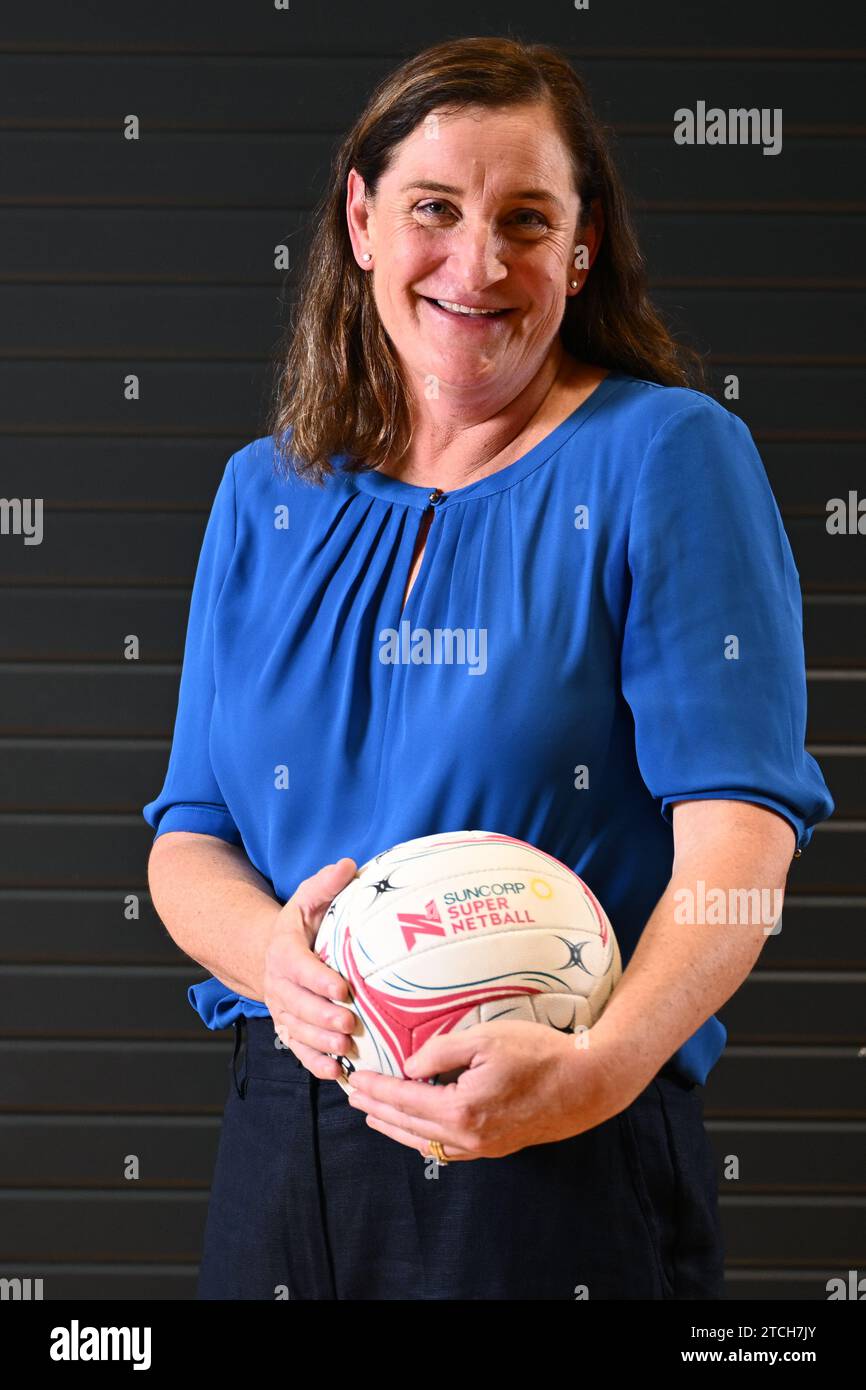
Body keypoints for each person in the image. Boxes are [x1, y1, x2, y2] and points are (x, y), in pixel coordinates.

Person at [142, 36, 834, 1300]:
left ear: (581, 246)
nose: (477, 263)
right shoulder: (263, 494)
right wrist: (271, 965)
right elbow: (188, 839)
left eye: (525, 219)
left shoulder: (668, 457)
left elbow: (741, 841)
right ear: (360, 221)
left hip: (555, 1145)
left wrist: (601, 1070)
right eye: (433, 210)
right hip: (281, 1154)